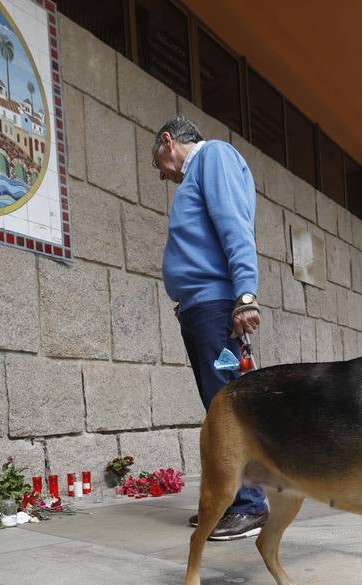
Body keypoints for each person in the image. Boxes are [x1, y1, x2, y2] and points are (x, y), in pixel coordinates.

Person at [151, 115, 267, 541]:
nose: (164, 175)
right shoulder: (198, 172)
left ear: (169, 142)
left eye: (159, 164)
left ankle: (250, 506)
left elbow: (234, 224)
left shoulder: (212, 156)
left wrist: (245, 295)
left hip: (217, 306)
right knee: (220, 408)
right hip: (202, 308)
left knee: (229, 408)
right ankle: (230, 503)